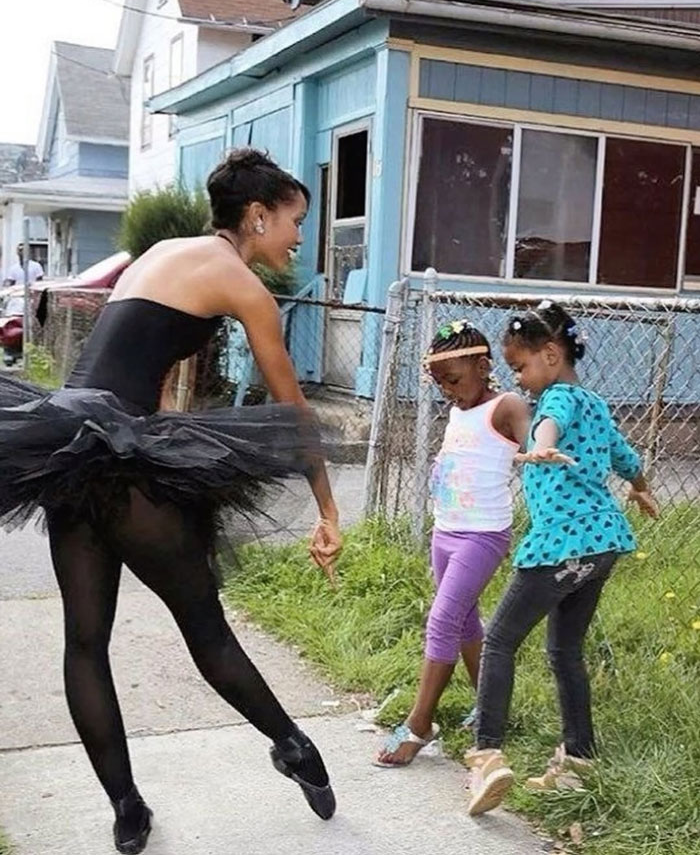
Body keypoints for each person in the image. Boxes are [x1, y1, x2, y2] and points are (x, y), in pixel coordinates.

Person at [0, 149, 343, 853]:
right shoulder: (243, 285)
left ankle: (127, 808)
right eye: (295, 221)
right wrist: (328, 509)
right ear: (257, 216)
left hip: (68, 441)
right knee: (206, 629)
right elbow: (294, 412)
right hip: (116, 458)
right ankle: (291, 744)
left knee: (85, 641)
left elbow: (143, 358)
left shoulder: (164, 251)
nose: (299, 237)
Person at [465, 301, 658, 817]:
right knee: (564, 651)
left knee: (500, 640)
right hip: (602, 546)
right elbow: (625, 456)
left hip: (561, 545)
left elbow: (550, 419)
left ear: (551, 354)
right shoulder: (596, 404)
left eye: (521, 365)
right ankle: (579, 760)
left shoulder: (560, 398)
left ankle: (485, 755)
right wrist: (640, 489)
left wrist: (542, 445)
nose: (519, 377)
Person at [374, 320, 531, 767]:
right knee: (463, 623)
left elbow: (534, 437)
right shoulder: (459, 409)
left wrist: (542, 446)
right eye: (439, 382)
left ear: (483, 366)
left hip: (483, 534)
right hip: (445, 531)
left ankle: (419, 725)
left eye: (454, 379)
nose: (447, 389)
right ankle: (491, 706)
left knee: (442, 620)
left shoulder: (506, 405)